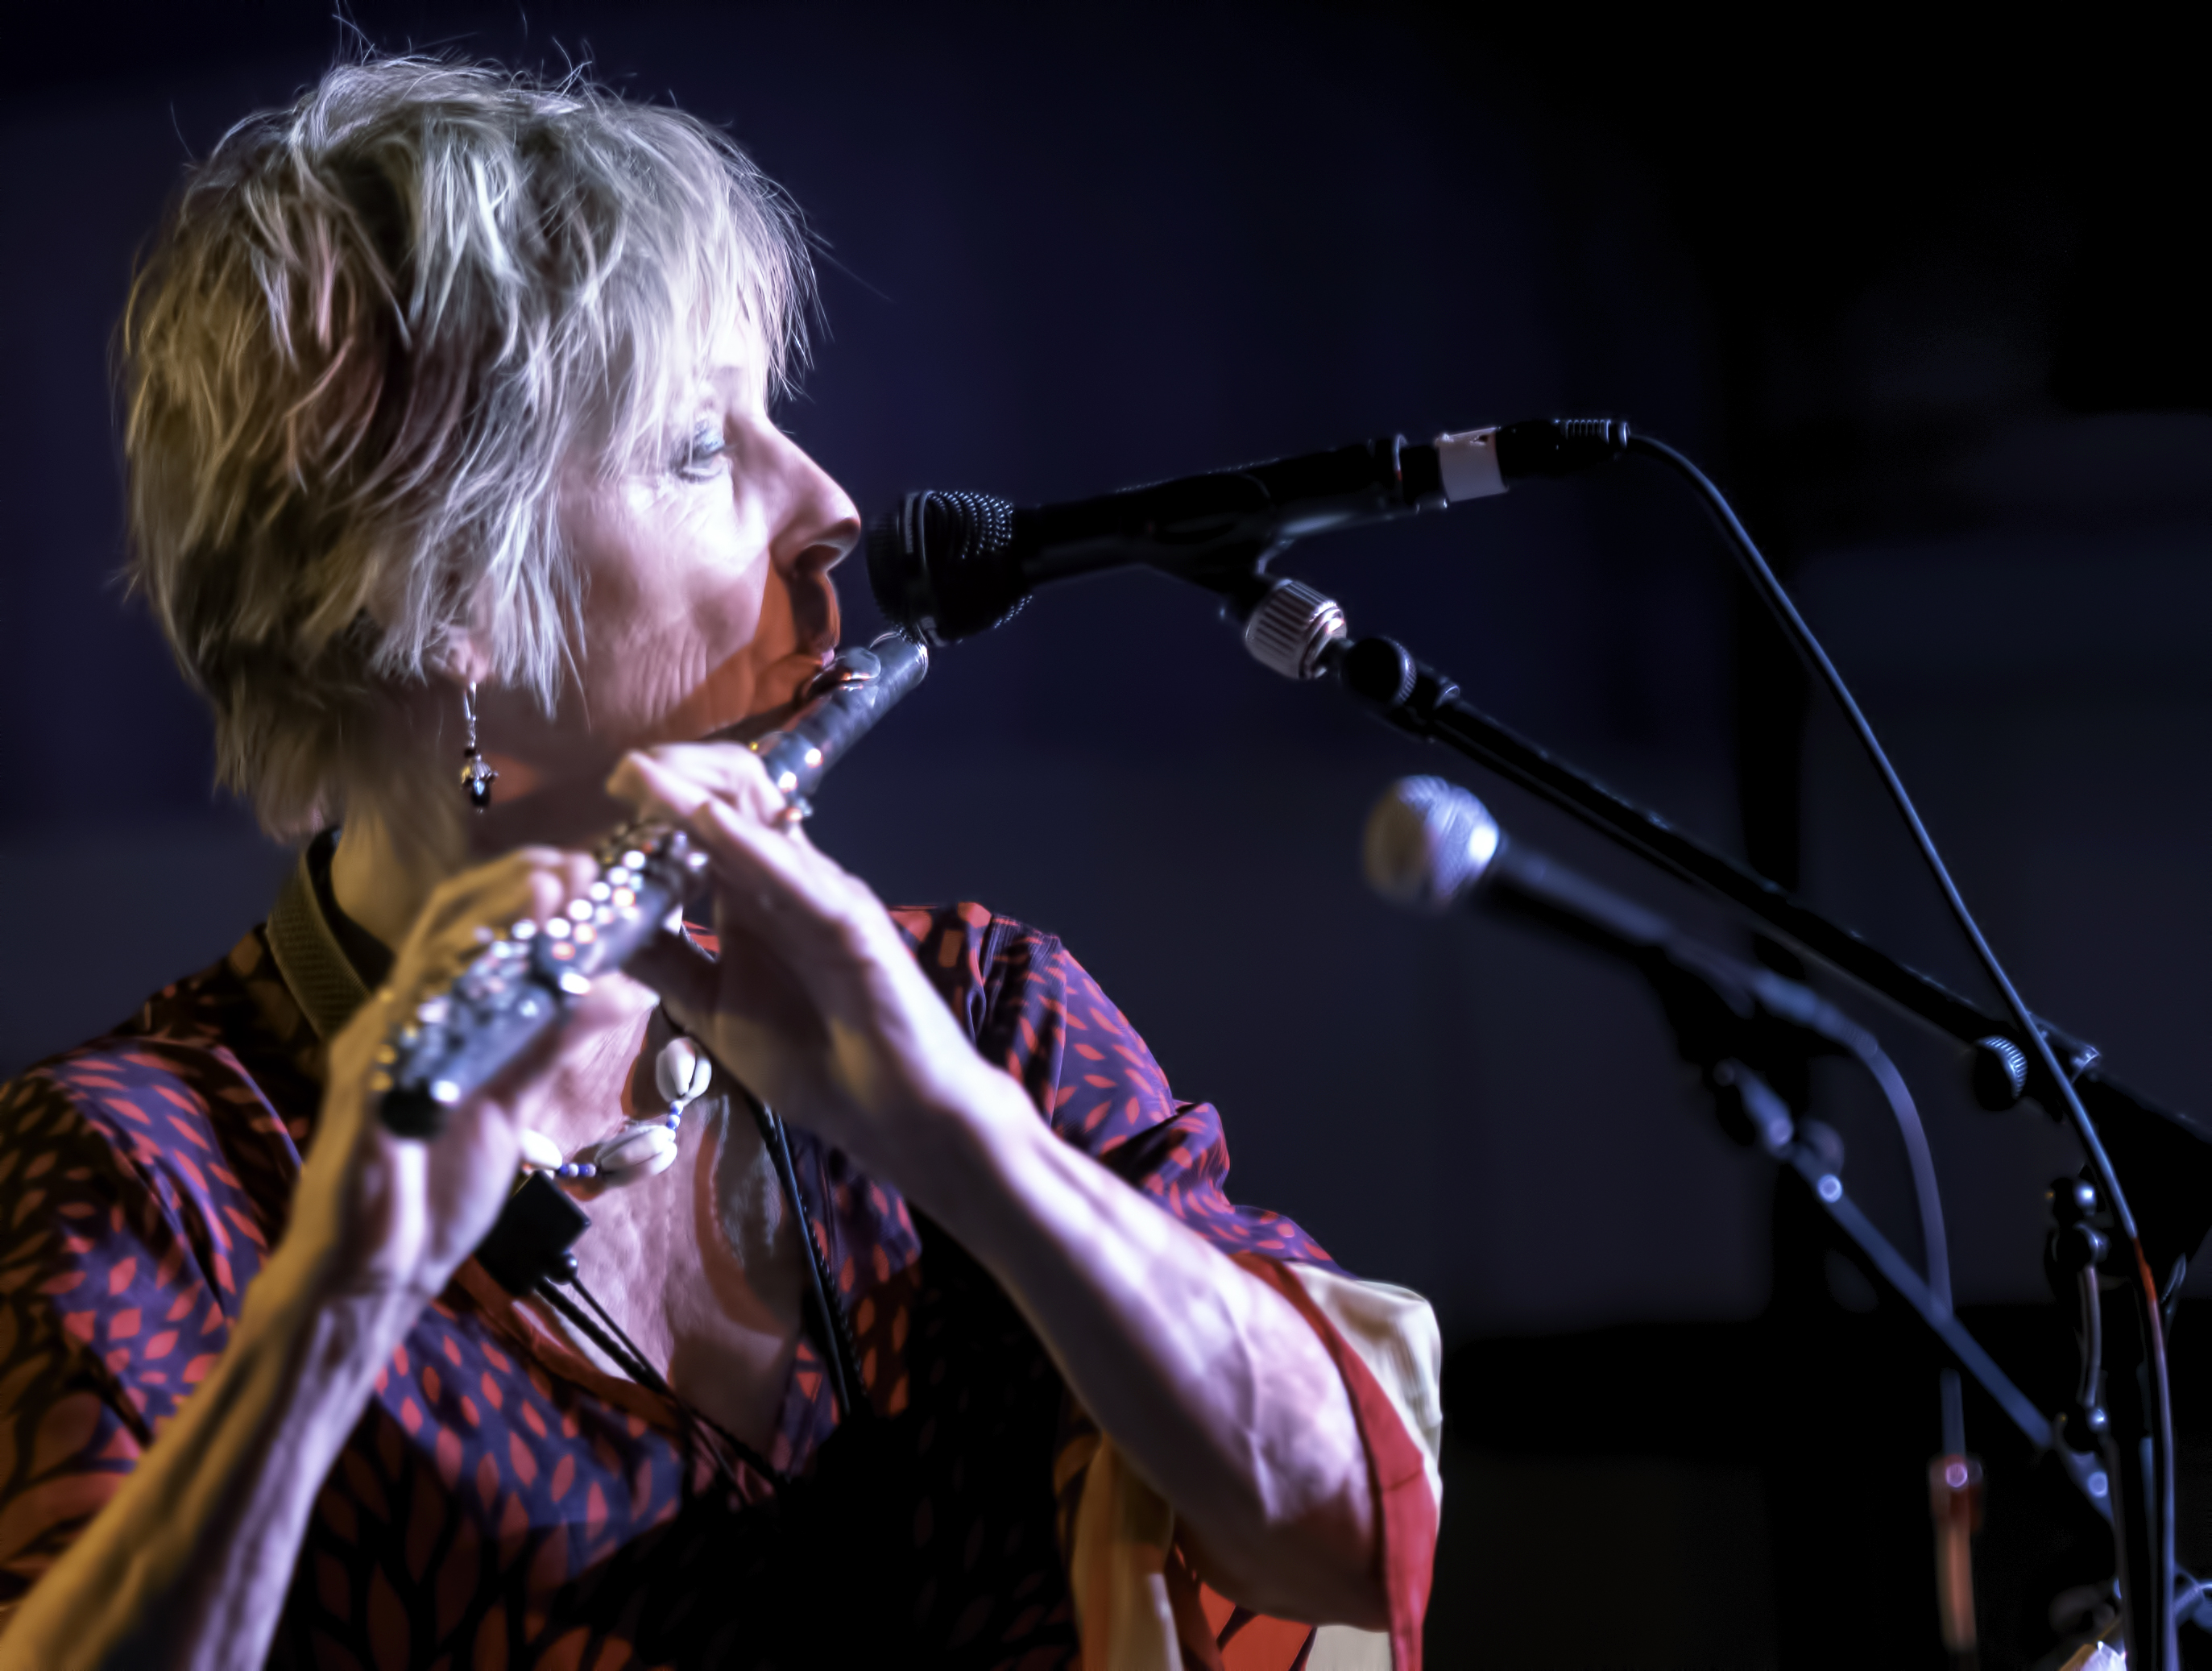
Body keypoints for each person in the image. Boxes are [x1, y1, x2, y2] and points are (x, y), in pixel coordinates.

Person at [0, 57, 1441, 1670]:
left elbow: (1351, 1529)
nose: (828, 506)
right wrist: (330, 1313)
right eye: (698, 445)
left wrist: (952, 1133)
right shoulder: (149, 1174)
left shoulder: (979, 1009)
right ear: (442, 586)